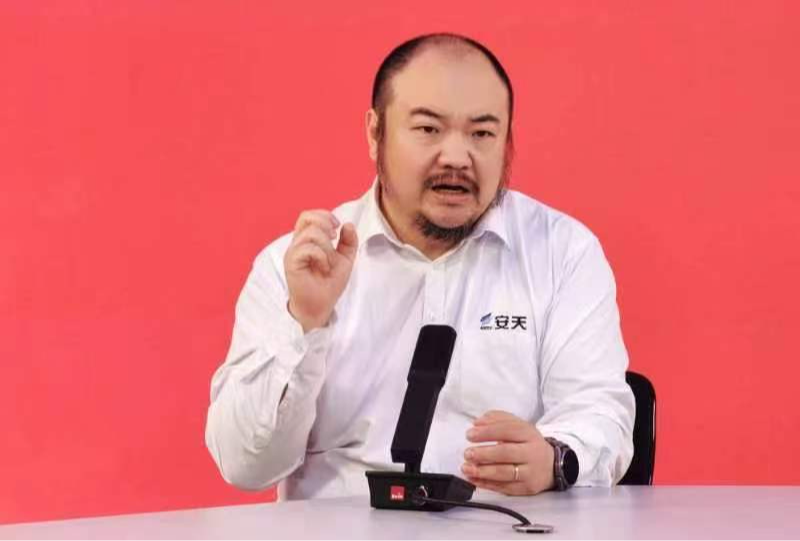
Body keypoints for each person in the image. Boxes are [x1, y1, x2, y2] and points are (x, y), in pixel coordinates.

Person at [205, 33, 635, 500]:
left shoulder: (561, 253)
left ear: (508, 142)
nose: (456, 157)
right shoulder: (296, 266)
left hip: (504, 524)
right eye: (429, 129)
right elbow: (246, 464)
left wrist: (556, 459)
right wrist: (304, 324)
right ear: (375, 133)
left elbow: (599, 413)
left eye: (482, 134)